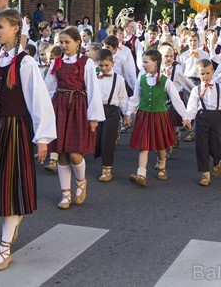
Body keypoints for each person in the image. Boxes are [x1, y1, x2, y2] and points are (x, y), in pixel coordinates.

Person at [0, 9, 56, 271]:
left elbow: (38, 101)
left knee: (11, 185)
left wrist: (42, 138)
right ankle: (7, 227)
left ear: (16, 28)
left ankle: (5, 246)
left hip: (16, 128)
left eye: (1, 27)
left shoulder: (26, 63)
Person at [45, 26, 104, 209]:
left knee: (74, 152)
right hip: (60, 106)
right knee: (61, 152)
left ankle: (81, 181)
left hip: (78, 107)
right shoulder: (57, 63)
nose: (63, 45)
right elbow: (48, 87)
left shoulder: (86, 63)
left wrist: (93, 117)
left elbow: (93, 90)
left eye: (67, 42)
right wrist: (43, 111)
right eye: (61, 42)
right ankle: (65, 194)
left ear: (78, 42)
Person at [123, 49, 188, 186]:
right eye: (143, 62)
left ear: (156, 62)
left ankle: (162, 166)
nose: (143, 65)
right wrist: (128, 113)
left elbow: (176, 101)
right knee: (144, 145)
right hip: (144, 115)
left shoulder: (166, 81)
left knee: (160, 144)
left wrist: (185, 117)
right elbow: (135, 99)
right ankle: (141, 174)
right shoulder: (141, 79)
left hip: (160, 115)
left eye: (146, 62)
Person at [94, 49, 128, 182]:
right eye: (101, 65)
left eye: (107, 65)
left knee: (108, 140)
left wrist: (126, 114)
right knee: (97, 140)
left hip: (112, 111)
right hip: (97, 110)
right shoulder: (94, 77)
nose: (104, 68)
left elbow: (123, 98)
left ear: (113, 64)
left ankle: (106, 169)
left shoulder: (119, 79)